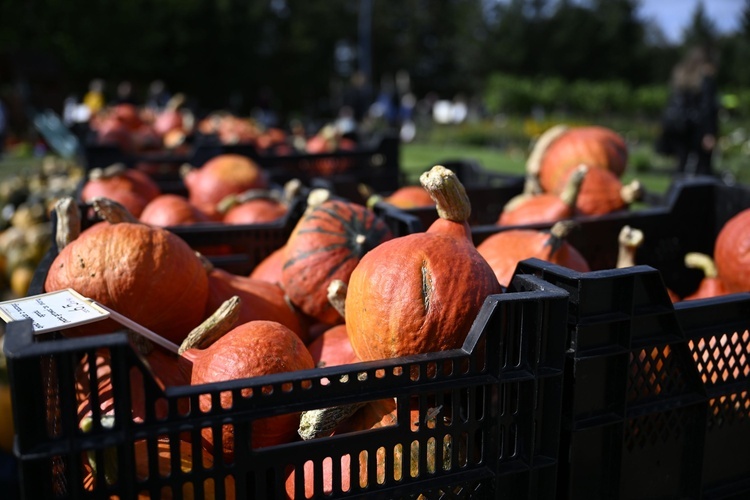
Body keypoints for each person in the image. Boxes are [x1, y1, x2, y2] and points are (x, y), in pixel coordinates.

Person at [657, 46, 720, 176]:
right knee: (703, 166)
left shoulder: (681, 74)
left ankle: (679, 193)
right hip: (698, 129)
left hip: (679, 127)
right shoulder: (705, 77)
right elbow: (707, 107)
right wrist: (709, 132)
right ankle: (701, 193)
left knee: (682, 164)